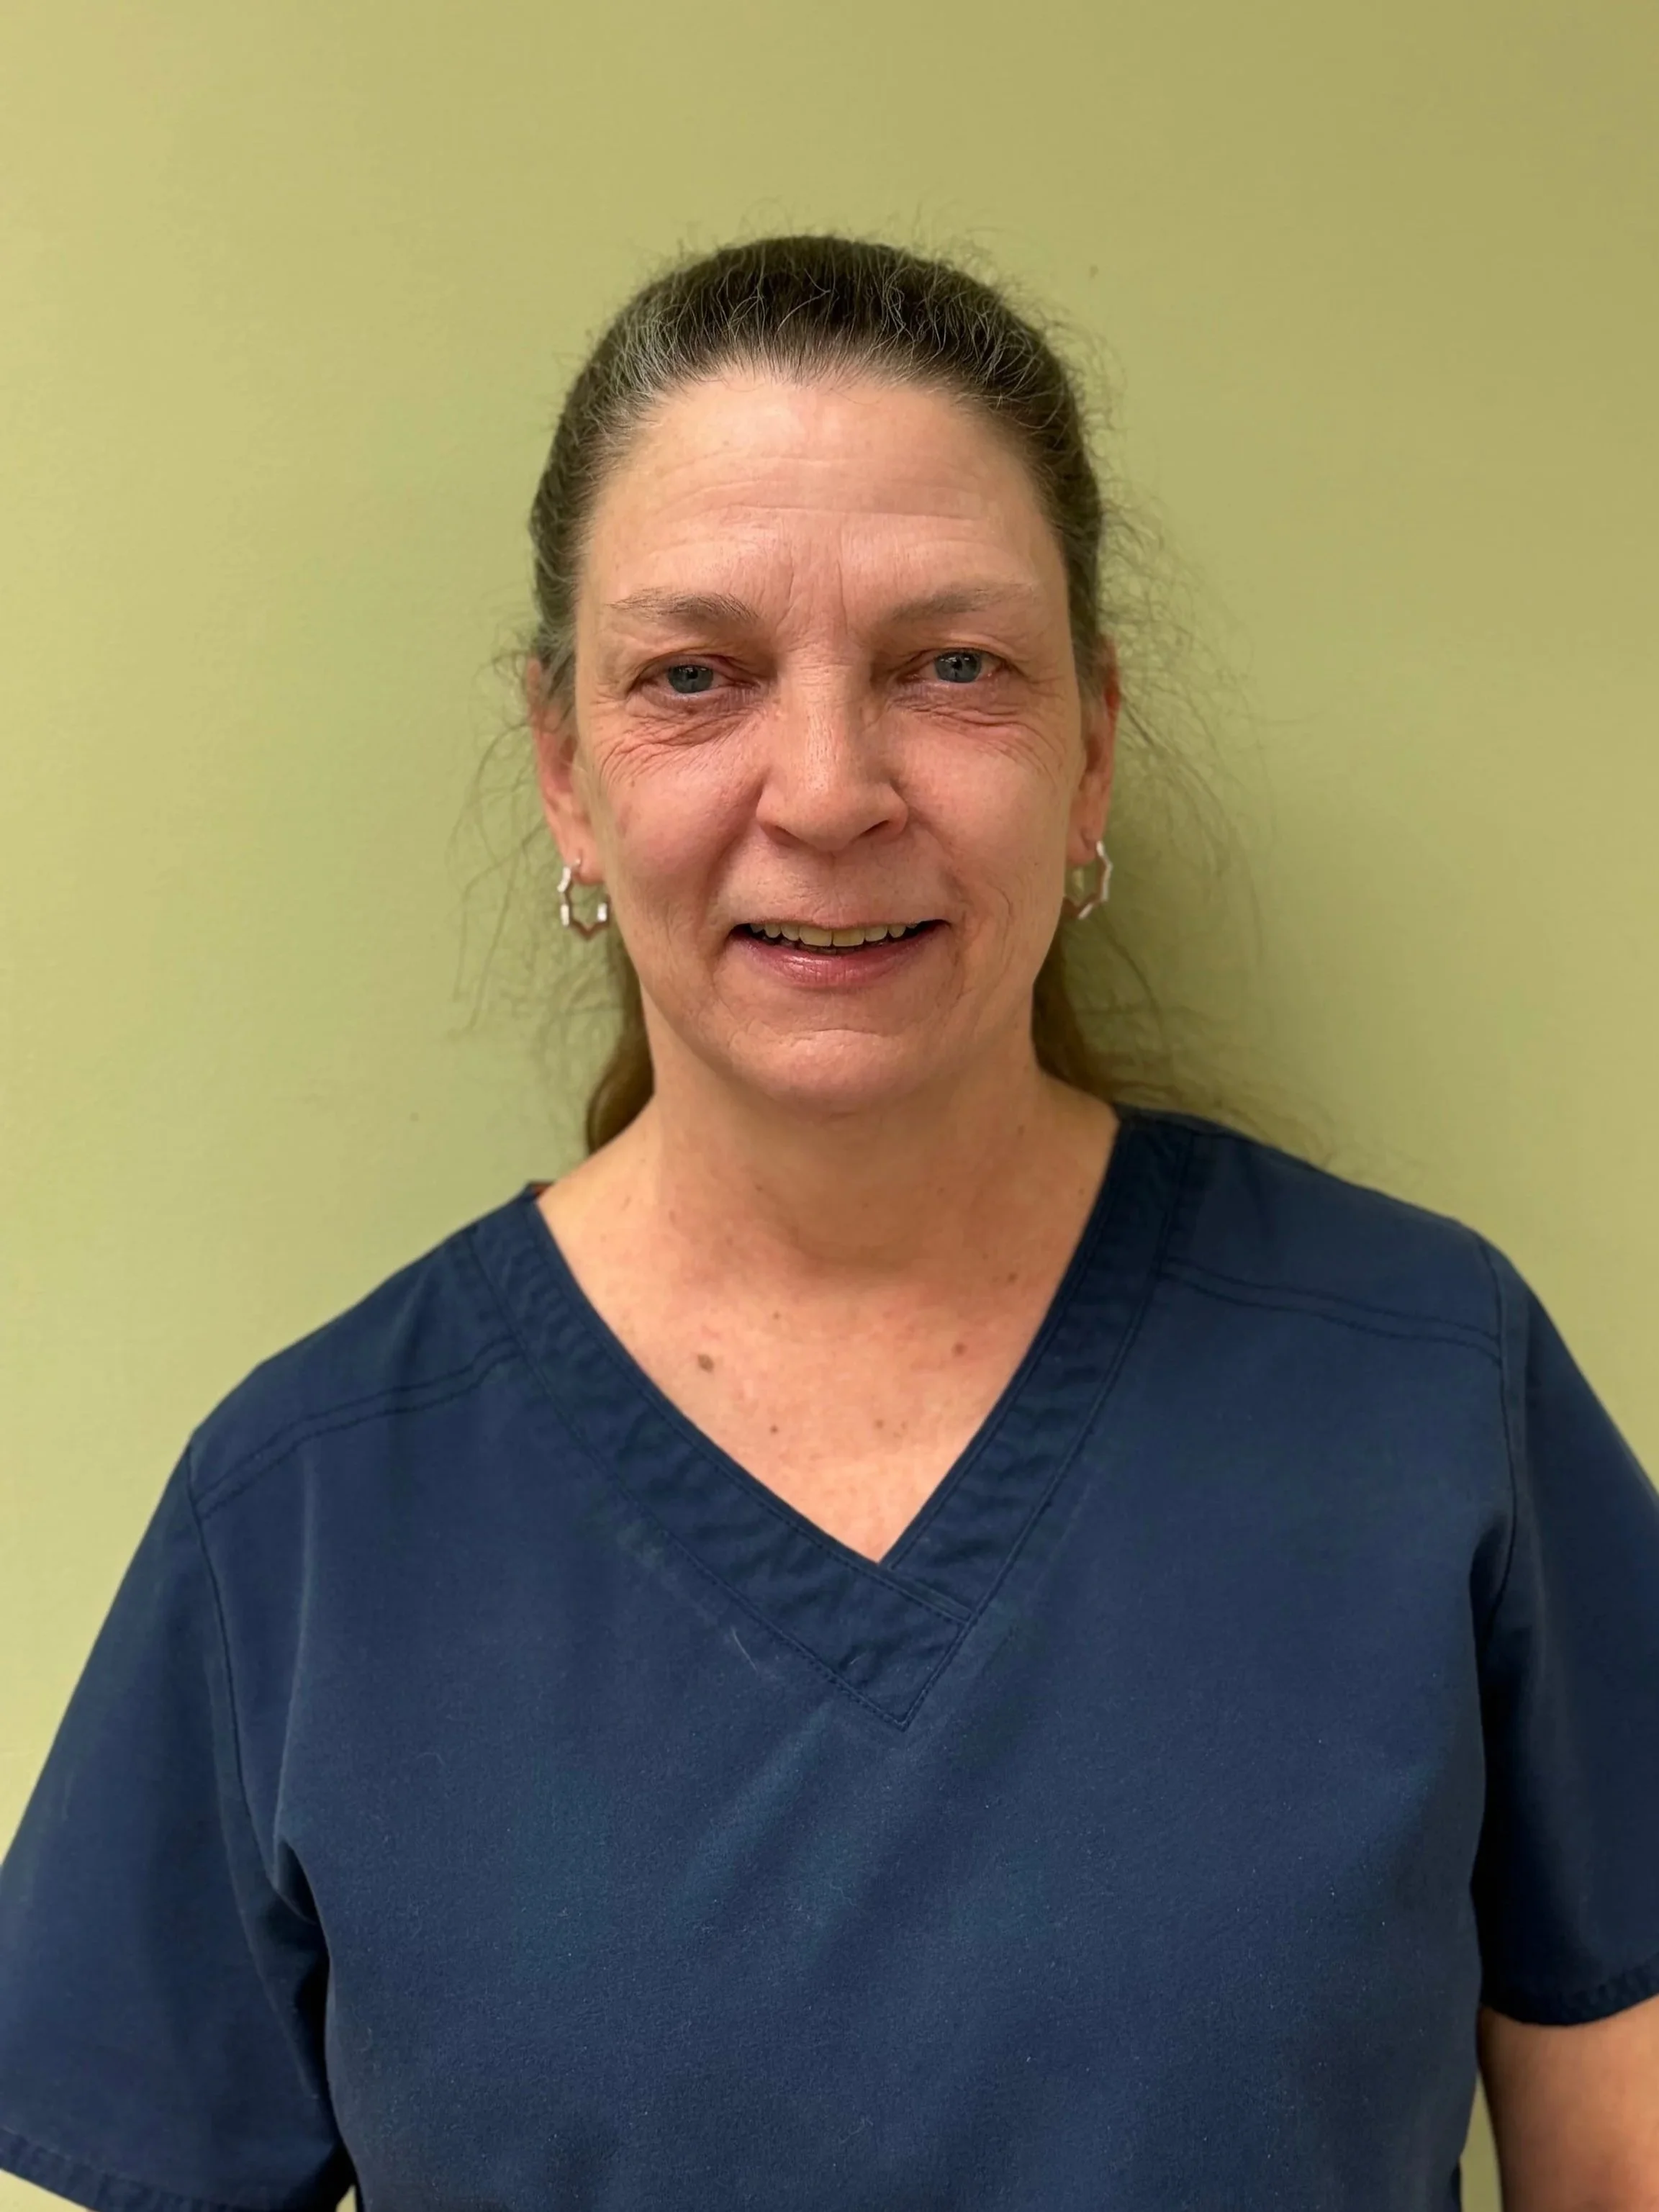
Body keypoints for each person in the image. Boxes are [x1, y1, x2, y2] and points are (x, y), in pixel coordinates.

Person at [2, 233, 1657, 2212]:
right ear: (564, 770)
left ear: (1093, 746)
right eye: (693, 676)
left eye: (951, 665)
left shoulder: (1423, 1389)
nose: (830, 786)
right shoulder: (308, 1516)